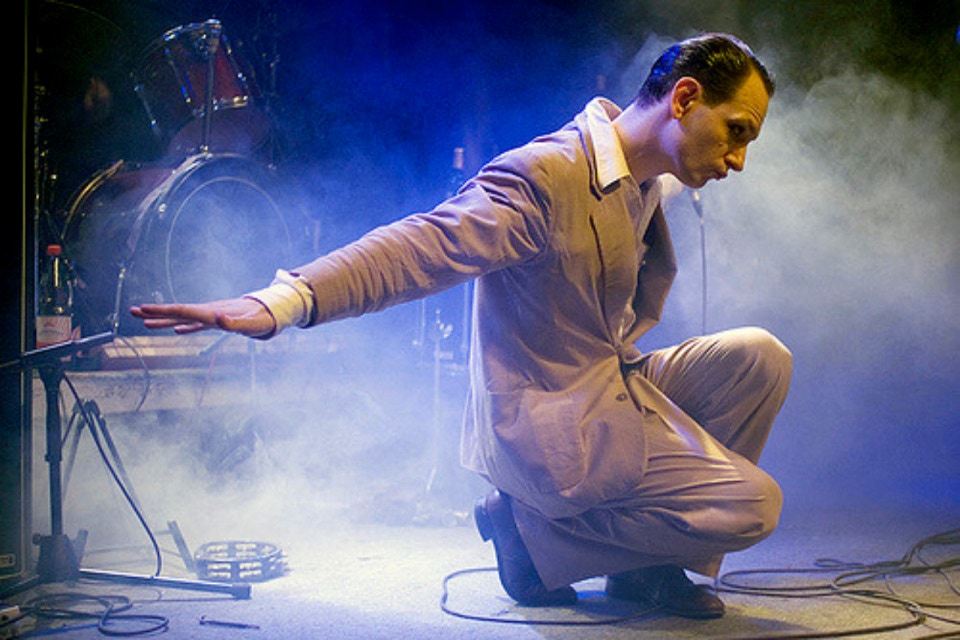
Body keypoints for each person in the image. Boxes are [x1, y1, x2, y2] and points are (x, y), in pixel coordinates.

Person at [132, 32, 792, 619]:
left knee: (760, 356)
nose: (738, 158)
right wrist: (288, 299)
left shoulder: (644, 178)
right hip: (551, 416)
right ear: (684, 98)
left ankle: (645, 570)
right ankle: (526, 532)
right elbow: (421, 245)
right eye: (736, 131)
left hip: (611, 384)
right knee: (753, 506)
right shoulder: (544, 177)